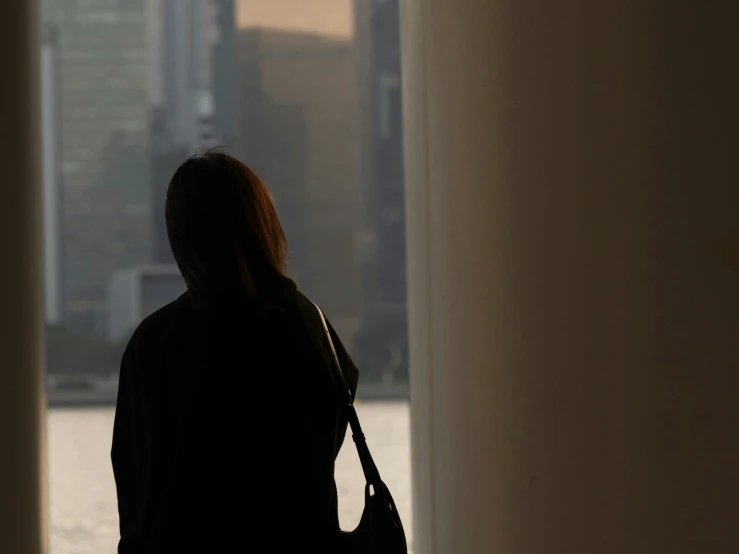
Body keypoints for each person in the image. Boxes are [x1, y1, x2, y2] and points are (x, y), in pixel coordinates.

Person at [111, 152, 358, 553]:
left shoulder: (154, 343)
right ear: (262, 226)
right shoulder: (308, 326)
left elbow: (136, 488)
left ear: (180, 236)